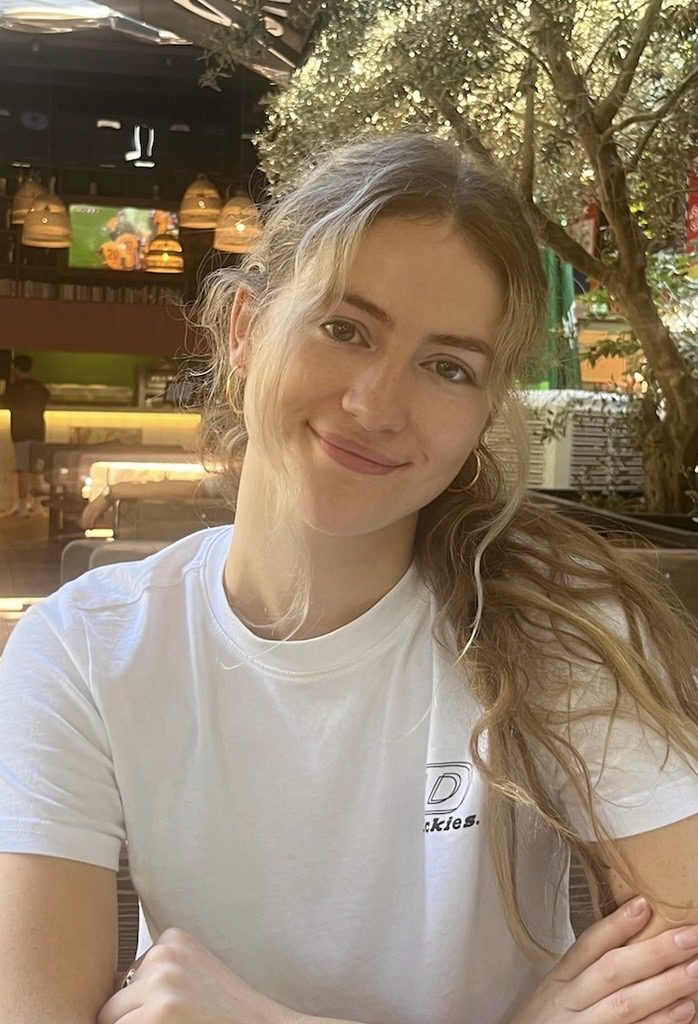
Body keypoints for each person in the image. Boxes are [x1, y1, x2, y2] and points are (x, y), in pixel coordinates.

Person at [0, 133, 697, 1024]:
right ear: (246, 329)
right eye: (344, 328)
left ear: (486, 410)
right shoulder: (84, 651)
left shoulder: (557, 621)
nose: (376, 405)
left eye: (448, 367)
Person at [1, 352, 50, 516]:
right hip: (38, 432)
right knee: (37, 471)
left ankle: (22, 507)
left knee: (23, 471)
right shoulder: (40, 387)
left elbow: (4, 402)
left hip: (21, 433)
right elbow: (46, 400)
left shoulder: (14, 389)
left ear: (16, 368)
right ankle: (37, 506)